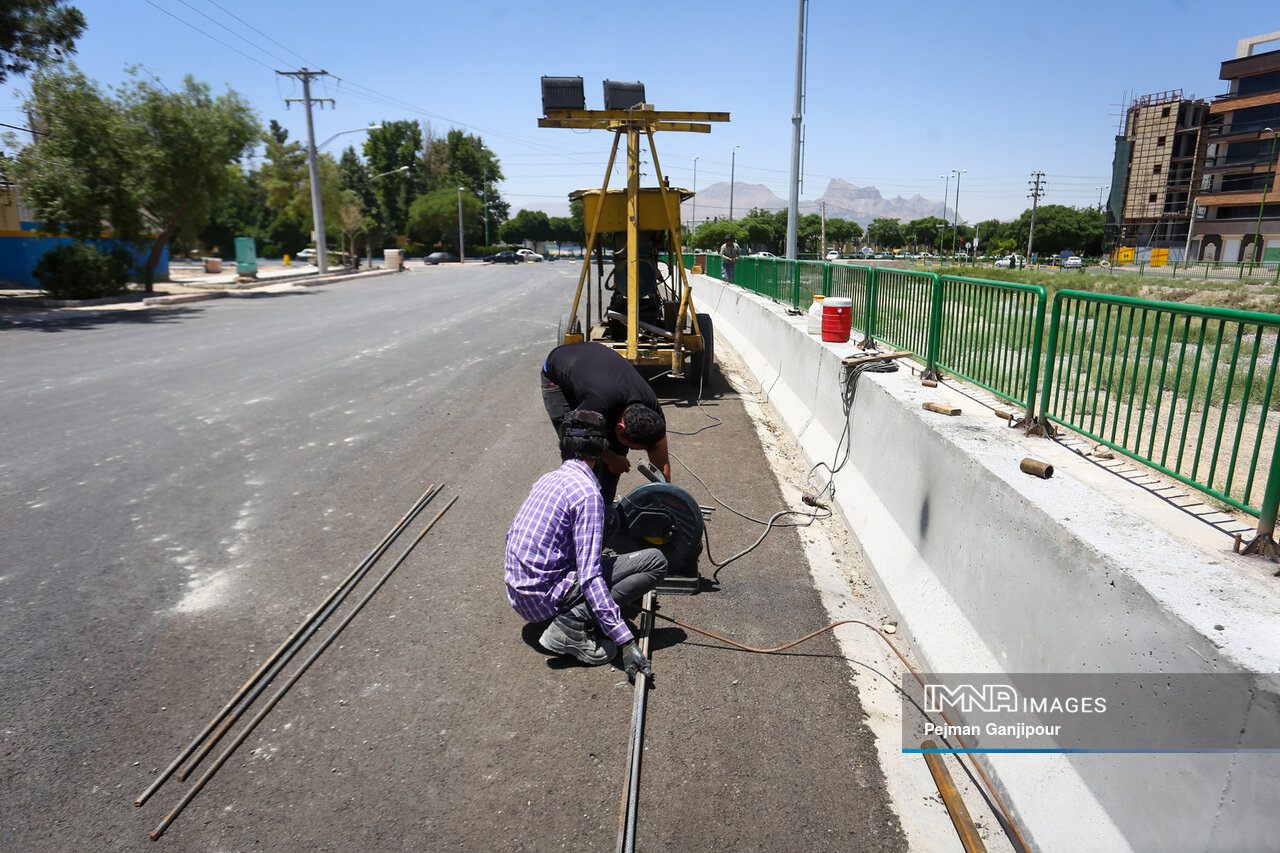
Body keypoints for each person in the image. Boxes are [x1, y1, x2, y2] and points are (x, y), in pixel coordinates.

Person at [505, 409, 666, 678]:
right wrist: (625, 641)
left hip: (522, 595)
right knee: (654, 561)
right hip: (545, 601)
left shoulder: (548, 479)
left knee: (610, 518)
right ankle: (571, 625)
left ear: (561, 446)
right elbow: (590, 577)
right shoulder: (587, 494)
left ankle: (574, 612)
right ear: (602, 448)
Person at [541, 342, 670, 504]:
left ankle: (604, 506)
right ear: (620, 426)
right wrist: (612, 459)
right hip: (559, 374)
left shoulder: (652, 413)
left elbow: (661, 461)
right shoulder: (599, 402)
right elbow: (573, 436)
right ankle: (575, 506)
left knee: (615, 452)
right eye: (632, 446)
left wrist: (667, 499)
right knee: (579, 455)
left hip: (596, 371)